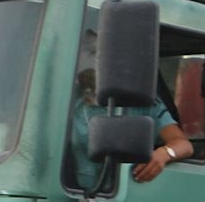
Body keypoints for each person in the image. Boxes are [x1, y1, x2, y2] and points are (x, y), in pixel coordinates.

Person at [66, 33, 191, 193]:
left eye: (98, 54)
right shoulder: (68, 98)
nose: (93, 61)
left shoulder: (142, 99)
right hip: (71, 196)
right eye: (89, 53)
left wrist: (164, 153)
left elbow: (183, 145)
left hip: (123, 198)